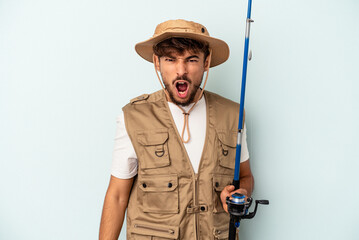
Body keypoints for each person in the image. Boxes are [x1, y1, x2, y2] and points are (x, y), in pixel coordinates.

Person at [99, 19, 254, 240]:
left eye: (191, 60)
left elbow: (246, 176)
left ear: (206, 62)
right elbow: (117, 196)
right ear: (157, 62)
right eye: (170, 59)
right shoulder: (133, 117)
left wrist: (242, 192)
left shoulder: (233, 115)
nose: (181, 71)